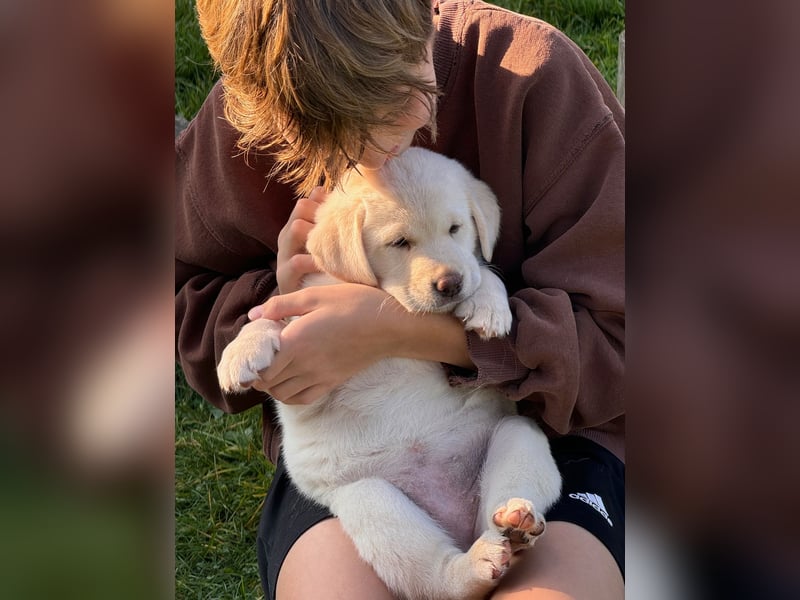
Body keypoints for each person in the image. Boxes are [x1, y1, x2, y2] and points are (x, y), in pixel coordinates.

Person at [176, 0, 625, 598]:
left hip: (558, 430)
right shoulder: (247, 120)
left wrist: (403, 331)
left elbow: (629, 343)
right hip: (363, 458)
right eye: (345, 124)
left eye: (414, 80)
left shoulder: (534, 79)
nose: (409, 119)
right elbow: (187, 300)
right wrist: (283, 304)